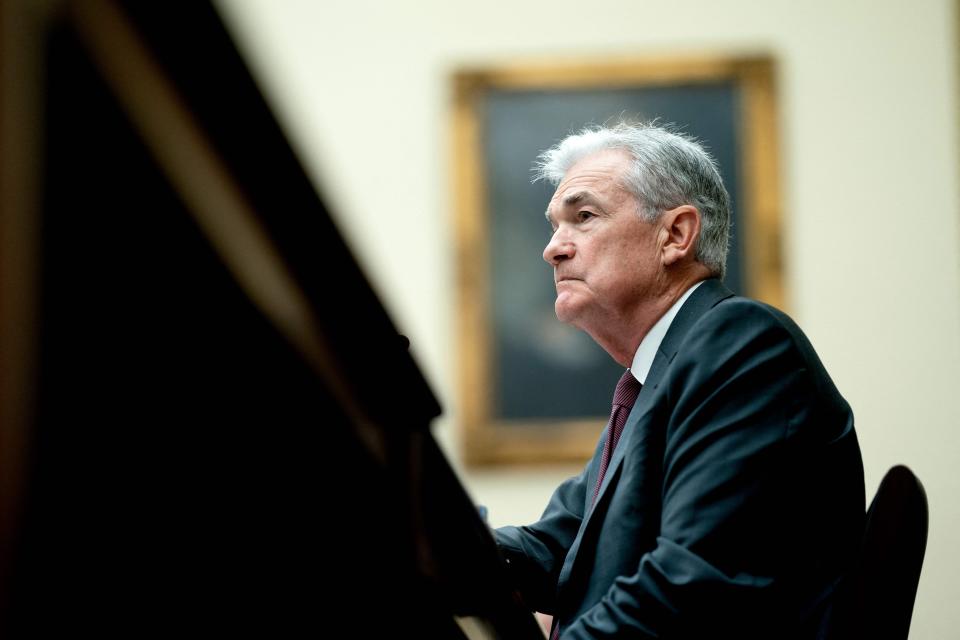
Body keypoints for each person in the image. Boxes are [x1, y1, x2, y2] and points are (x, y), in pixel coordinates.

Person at [494, 122, 865, 639]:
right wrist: (435, 540)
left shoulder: (742, 347)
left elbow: (693, 587)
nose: (553, 248)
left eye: (583, 217)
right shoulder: (658, 375)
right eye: (554, 225)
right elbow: (558, 547)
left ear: (675, 235)